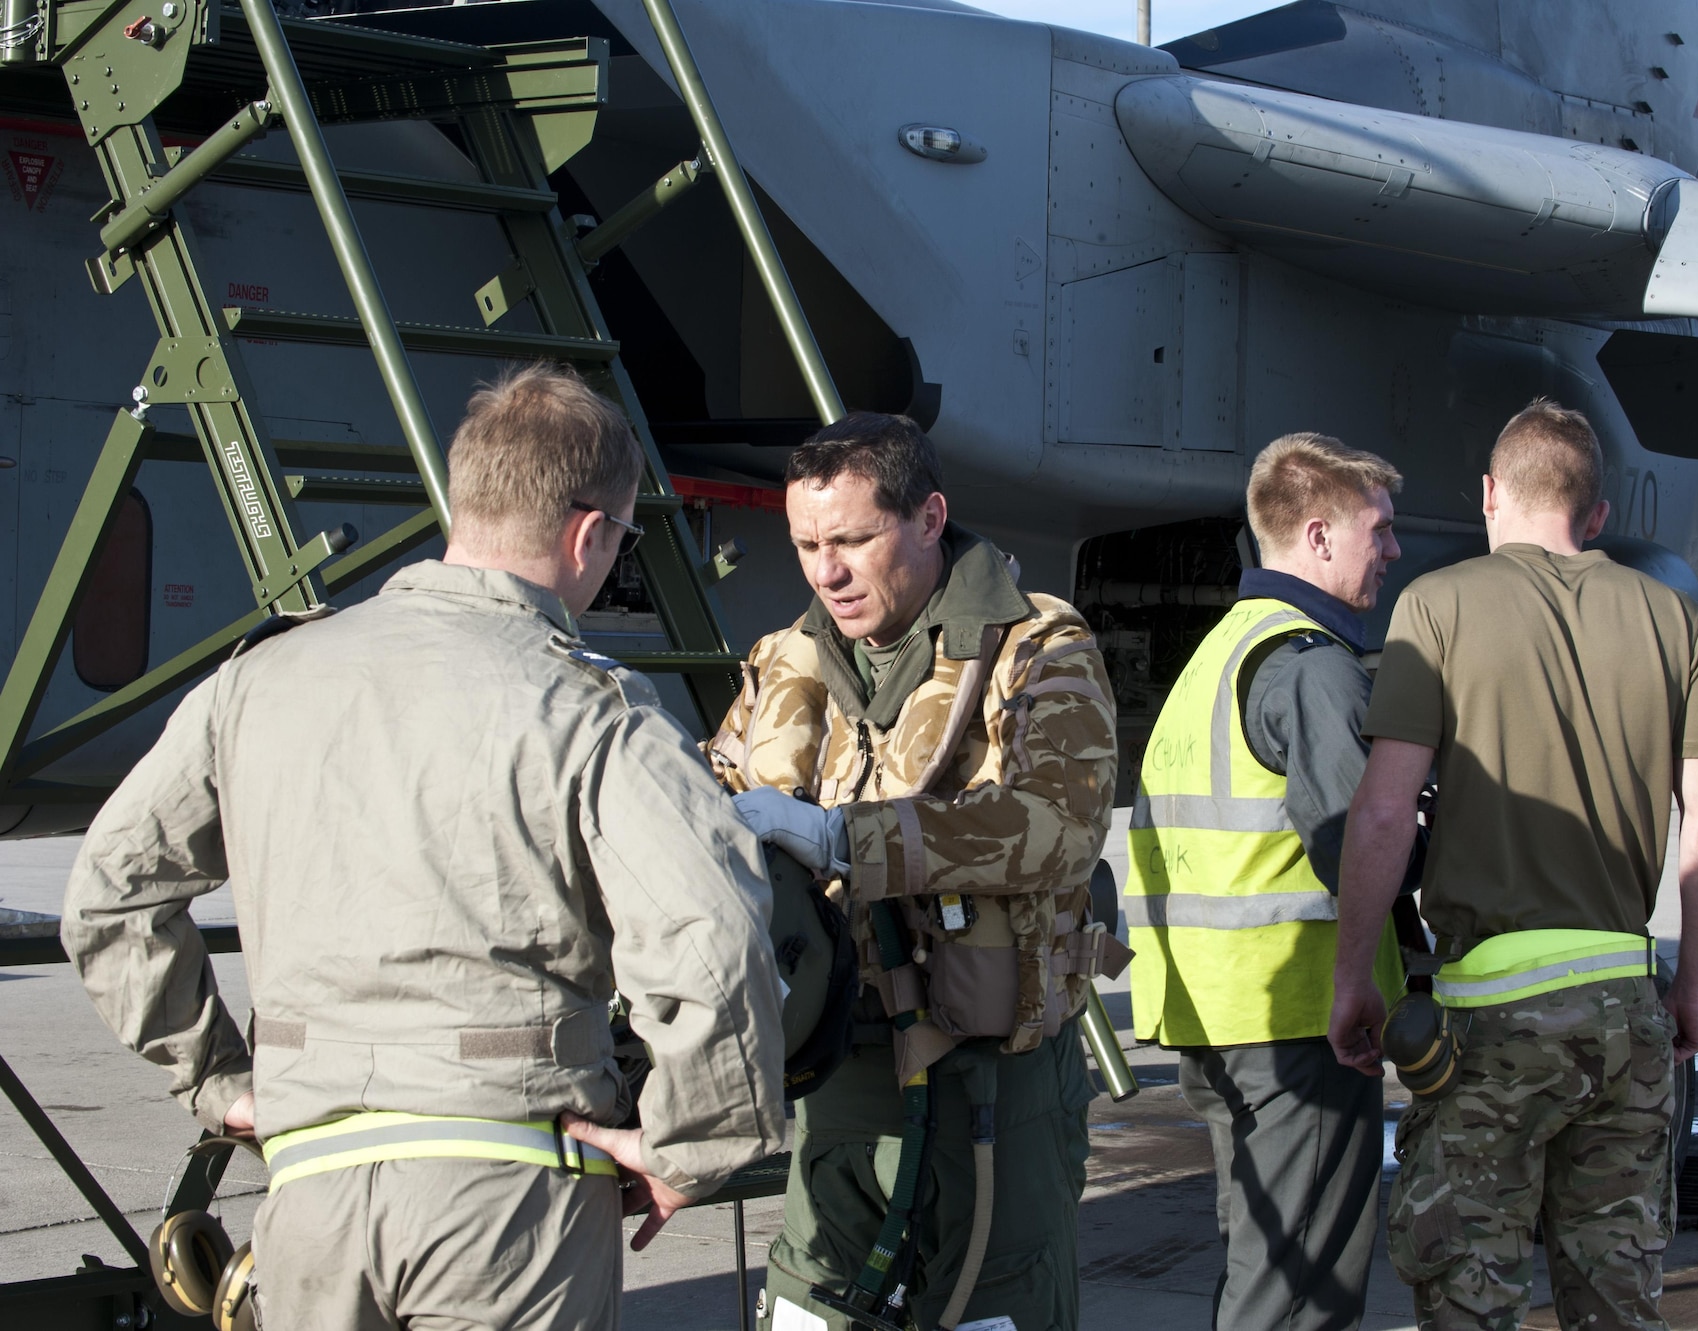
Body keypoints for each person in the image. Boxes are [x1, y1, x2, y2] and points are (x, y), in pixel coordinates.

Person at [62, 364, 787, 1331]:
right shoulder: (591, 707)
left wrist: (218, 1078)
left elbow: (109, 894)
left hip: (308, 1199)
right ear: (587, 532)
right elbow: (713, 938)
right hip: (509, 1209)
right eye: (622, 535)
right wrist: (695, 1146)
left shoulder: (257, 682)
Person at [1328, 399, 1698, 1331]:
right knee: (1617, 1293)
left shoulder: (1435, 606)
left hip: (1488, 1025)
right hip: (1627, 1015)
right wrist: (1695, 993)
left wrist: (1355, 977)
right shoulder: (1672, 617)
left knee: (1472, 1291)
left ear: (1488, 495)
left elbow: (1387, 808)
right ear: (1598, 515)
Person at [704, 411, 1120, 1331]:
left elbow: (1060, 824)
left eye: (852, 538)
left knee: (990, 1303)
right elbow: (718, 783)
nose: (826, 570)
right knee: (810, 1307)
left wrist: (846, 840)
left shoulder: (1036, 645)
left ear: (929, 518)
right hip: (838, 1070)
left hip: (992, 1077)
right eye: (808, 543)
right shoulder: (786, 664)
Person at [1126, 432, 1411, 1331]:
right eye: (1381, 529)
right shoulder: (1313, 666)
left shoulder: (1218, 655)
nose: (1395, 551)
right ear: (1320, 537)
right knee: (1296, 1297)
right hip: (1296, 1016)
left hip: (1211, 1016)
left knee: (1260, 1269)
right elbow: (1354, 840)